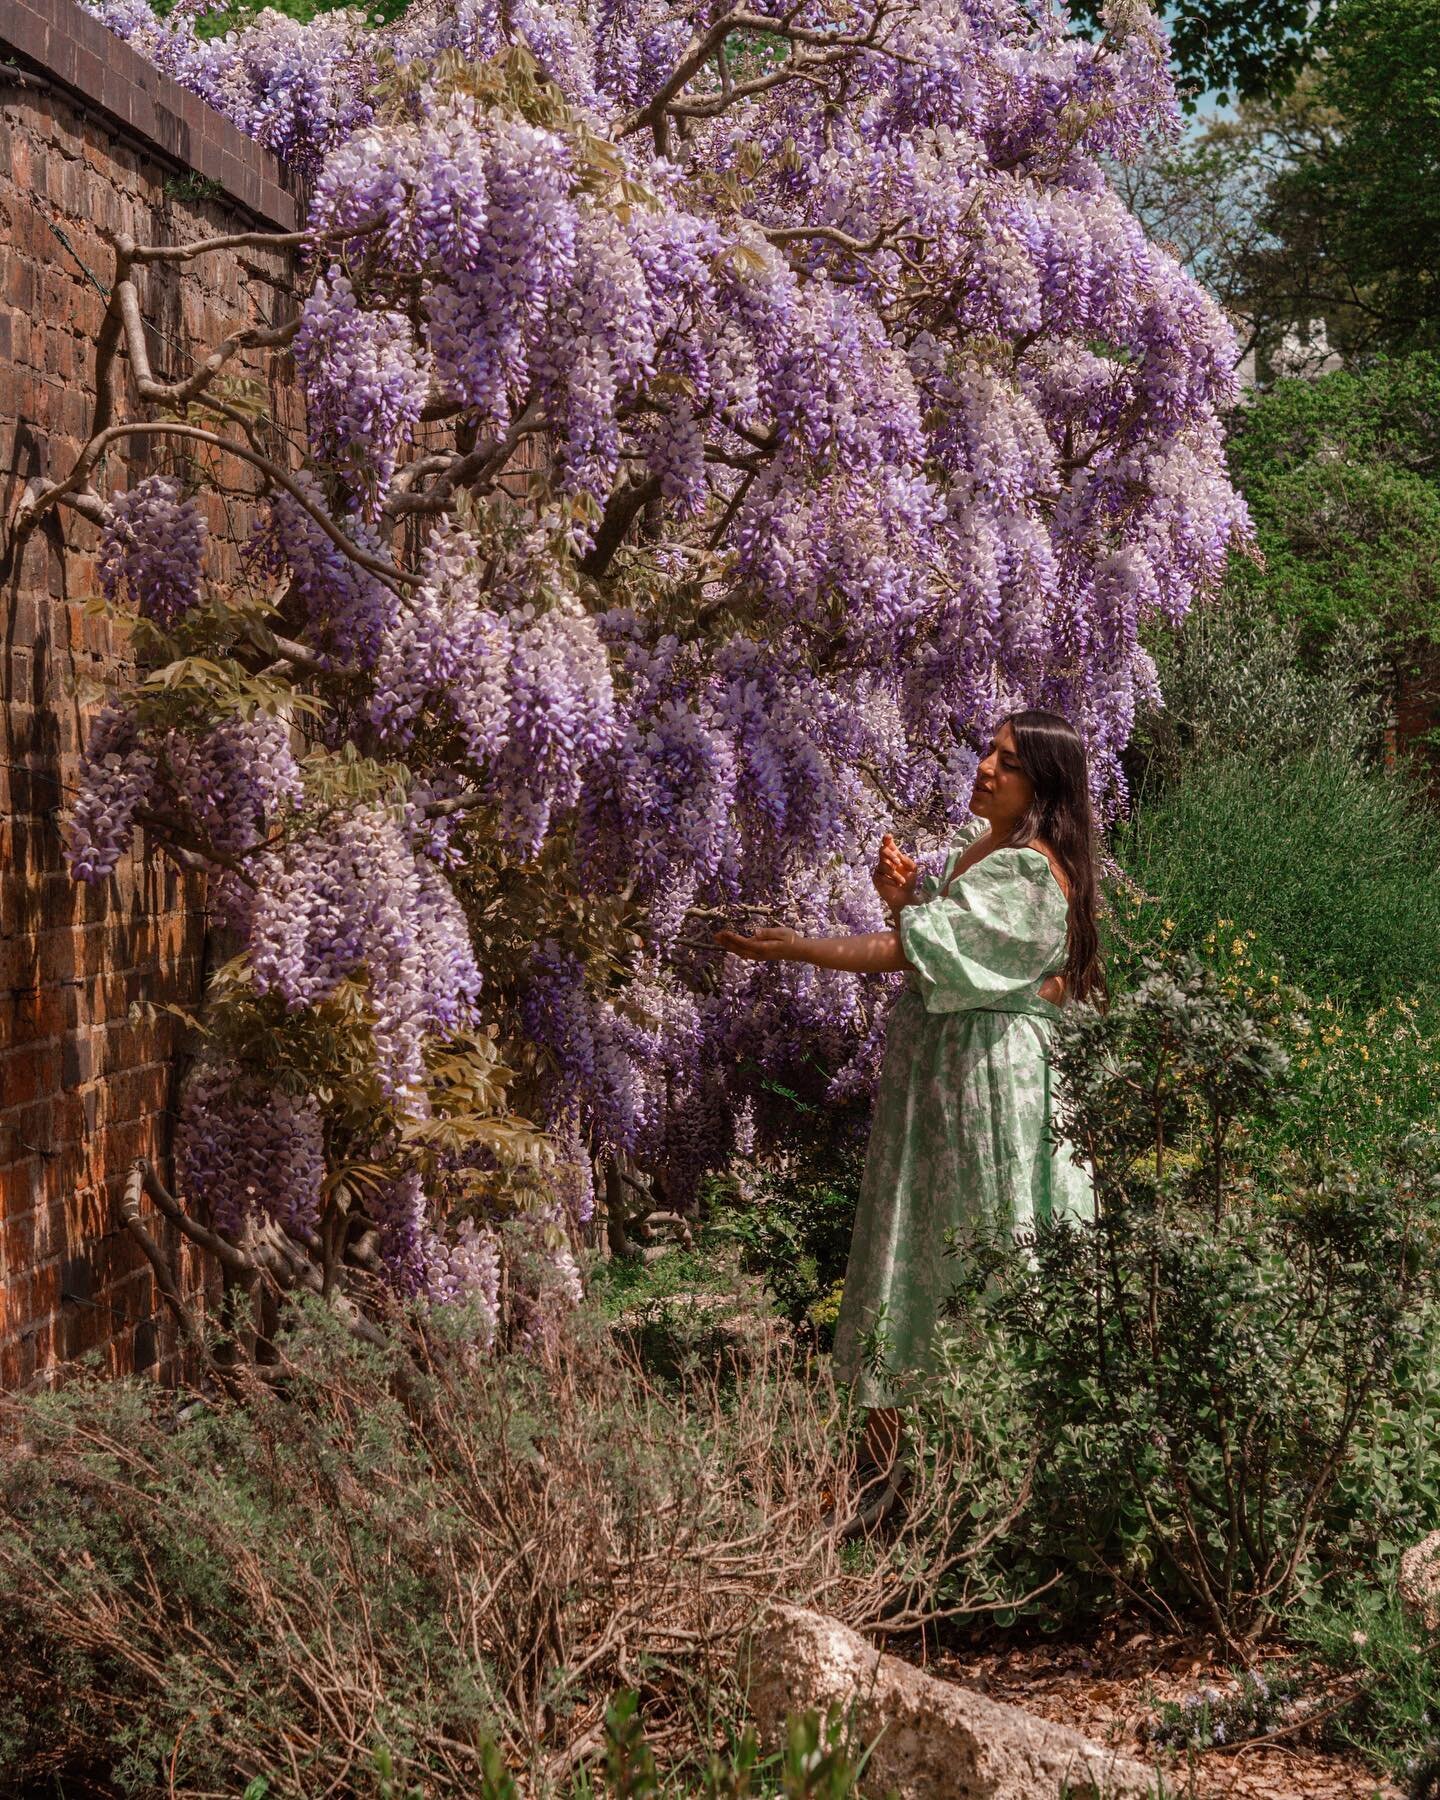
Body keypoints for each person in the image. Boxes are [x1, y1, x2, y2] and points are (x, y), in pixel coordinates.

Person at [714, 708, 1103, 1522]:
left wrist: (795, 948)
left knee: (968, 1258)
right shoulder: (992, 859)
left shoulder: (1028, 871)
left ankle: (954, 1487)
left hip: (987, 1093)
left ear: (1043, 784)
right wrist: (907, 900)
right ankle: (891, 1477)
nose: (986, 770)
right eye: (987, 754)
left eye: (1007, 761)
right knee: (924, 1254)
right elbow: (946, 958)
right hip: (957, 1082)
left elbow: (910, 955)